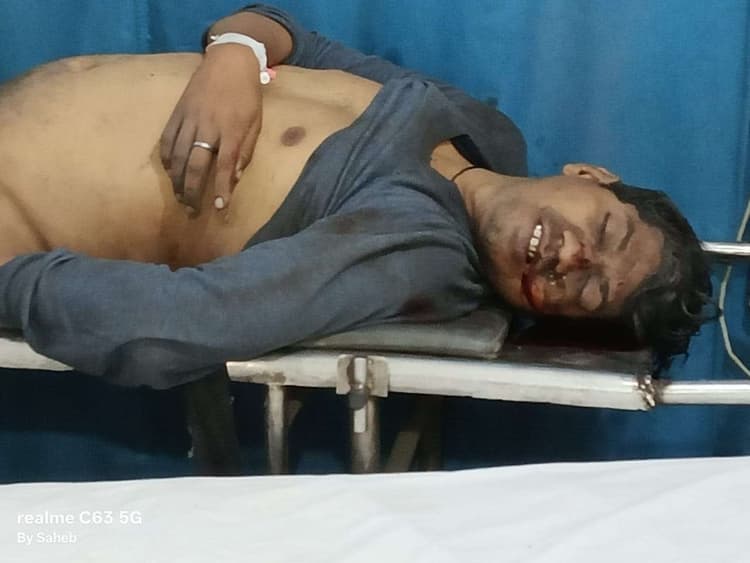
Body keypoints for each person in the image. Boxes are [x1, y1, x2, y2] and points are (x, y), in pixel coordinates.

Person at [0, 4, 712, 389]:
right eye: (607, 232)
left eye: (584, 292)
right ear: (591, 174)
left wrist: (10, 284)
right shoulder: (484, 132)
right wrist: (235, 56)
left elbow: (174, 329)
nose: (575, 258)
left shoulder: (414, 255)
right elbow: (290, 36)